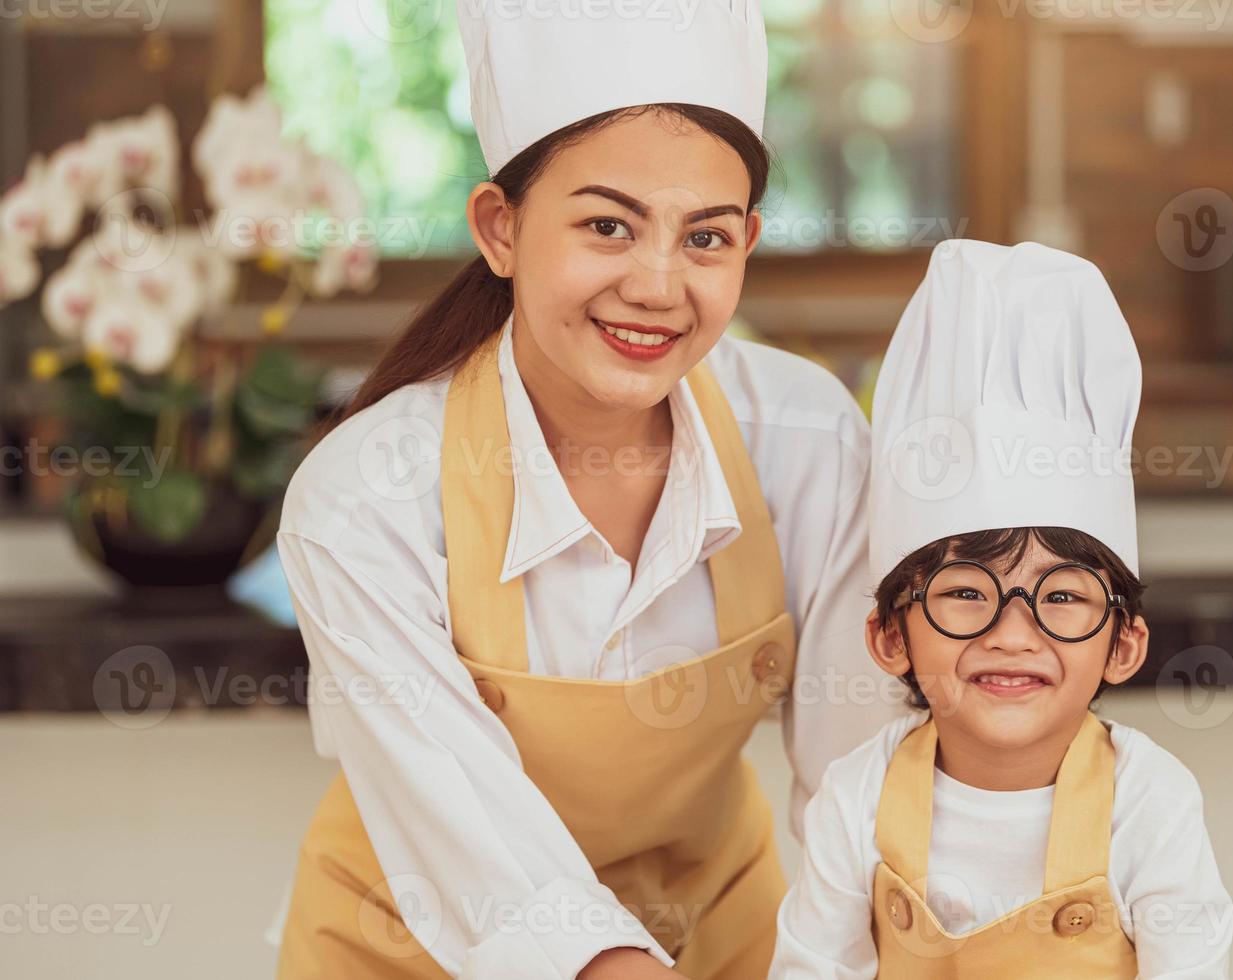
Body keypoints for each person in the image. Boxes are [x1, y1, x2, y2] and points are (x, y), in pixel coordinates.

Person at [271, 2, 901, 977]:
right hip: (414, 946)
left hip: (718, 937)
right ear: (501, 226)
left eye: (706, 238)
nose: (657, 284)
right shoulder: (364, 498)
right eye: (608, 224)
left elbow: (860, 779)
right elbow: (475, 846)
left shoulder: (808, 443)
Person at [768, 240, 1233, 978]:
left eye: (1060, 597)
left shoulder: (1147, 800)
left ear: (1122, 644)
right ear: (890, 637)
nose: (1012, 634)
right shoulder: (856, 797)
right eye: (964, 594)